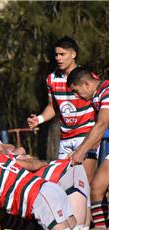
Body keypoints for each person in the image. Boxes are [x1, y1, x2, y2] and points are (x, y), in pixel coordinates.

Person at [27, 36, 98, 182]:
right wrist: (39, 119)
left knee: (85, 183)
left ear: (73, 54)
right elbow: (52, 106)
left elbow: (100, 106)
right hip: (65, 138)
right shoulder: (51, 79)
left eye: (62, 54)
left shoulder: (87, 78)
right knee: (64, 183)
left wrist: (96, 135)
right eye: (56, 55)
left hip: (85, 135)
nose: (58, 58)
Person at [66, 66, 109, 228]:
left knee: (97, 189)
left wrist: (81, 151)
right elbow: (97, 130)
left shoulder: (107, 91)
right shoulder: (97, 96)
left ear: (86, 84)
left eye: (77, 91)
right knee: (97, 189)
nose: (77, 96)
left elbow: (102, 123)